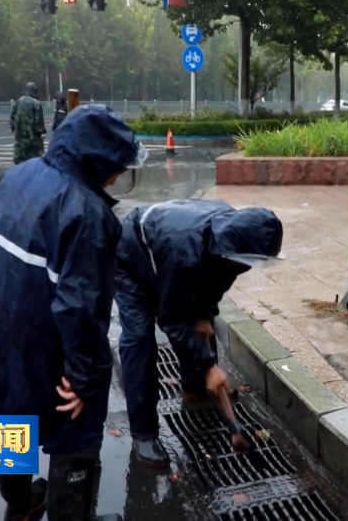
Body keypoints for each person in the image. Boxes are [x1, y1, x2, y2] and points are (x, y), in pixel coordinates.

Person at [0, 104, 148, 521]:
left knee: (5, 418)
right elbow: (81, 308)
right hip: (44, 344)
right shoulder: (88, 213)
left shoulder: (17, 175)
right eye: (117, 167)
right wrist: (86, 377)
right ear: (99, 162)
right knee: (76, 430)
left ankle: (21, 502)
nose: (116, 176)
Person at [114, 199, 284, 468]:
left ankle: (197, 387)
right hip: (133, 256)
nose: (246, 267)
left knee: (200, 324)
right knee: (140, 341)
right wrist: (209, 365)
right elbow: (172, 318)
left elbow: (212, 287)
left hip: (170, 251)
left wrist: (205, 314)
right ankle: (144, 432)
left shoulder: (233, 241)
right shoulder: (184, 251)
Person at [9, 82, 46, 165]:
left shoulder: (18, 101)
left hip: (20, 136)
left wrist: (12, 128)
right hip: (33, 137)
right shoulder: (36, 103)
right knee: (36, 159)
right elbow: (38, 120)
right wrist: (42, 132)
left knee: (20, 160)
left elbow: (13, 116)